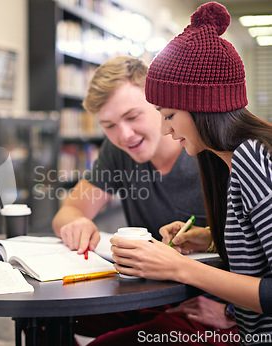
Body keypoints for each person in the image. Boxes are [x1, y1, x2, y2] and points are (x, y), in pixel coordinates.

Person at [111, 2, 272, 344]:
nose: (166, 129)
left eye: (169, 115)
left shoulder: (253, 158)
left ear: (204, 107)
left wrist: (178, 267)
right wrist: (208, 237)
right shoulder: (224, 159)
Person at [52, 55, 238, 344]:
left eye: (132, 116)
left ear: (160, 105)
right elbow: (72, 208)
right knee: (51, 319)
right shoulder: (118, 152)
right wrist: (76, 222)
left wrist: (232, 312)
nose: (124, 135)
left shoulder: (209, 149)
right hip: (153, 292)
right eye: (109, 125)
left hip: (213, 305)